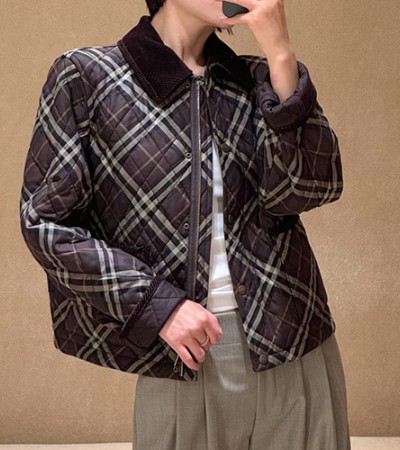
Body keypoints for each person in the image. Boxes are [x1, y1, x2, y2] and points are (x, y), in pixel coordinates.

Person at [20, 0, 351, 448]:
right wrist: (158, 305)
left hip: (292, 339)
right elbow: (46, 224)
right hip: (180, 353)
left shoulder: (258, 80)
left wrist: (280, 56)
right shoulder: (87, 77)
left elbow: (310, 189)